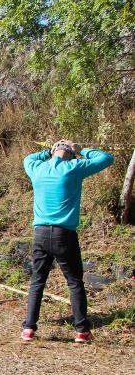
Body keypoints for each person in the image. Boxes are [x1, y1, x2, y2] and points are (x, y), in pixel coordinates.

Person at [21, 140, 115, 343]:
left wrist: (48, 151)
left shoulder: (37, 168)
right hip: (65, 234)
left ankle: (29, 328)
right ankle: (81, 330)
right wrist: (81, 149)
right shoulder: (74, 167)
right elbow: (107, 158)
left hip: (40, 233)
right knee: (74, 282)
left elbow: (28, 158)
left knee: (37, 282)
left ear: (54, 152)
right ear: (71, 154)